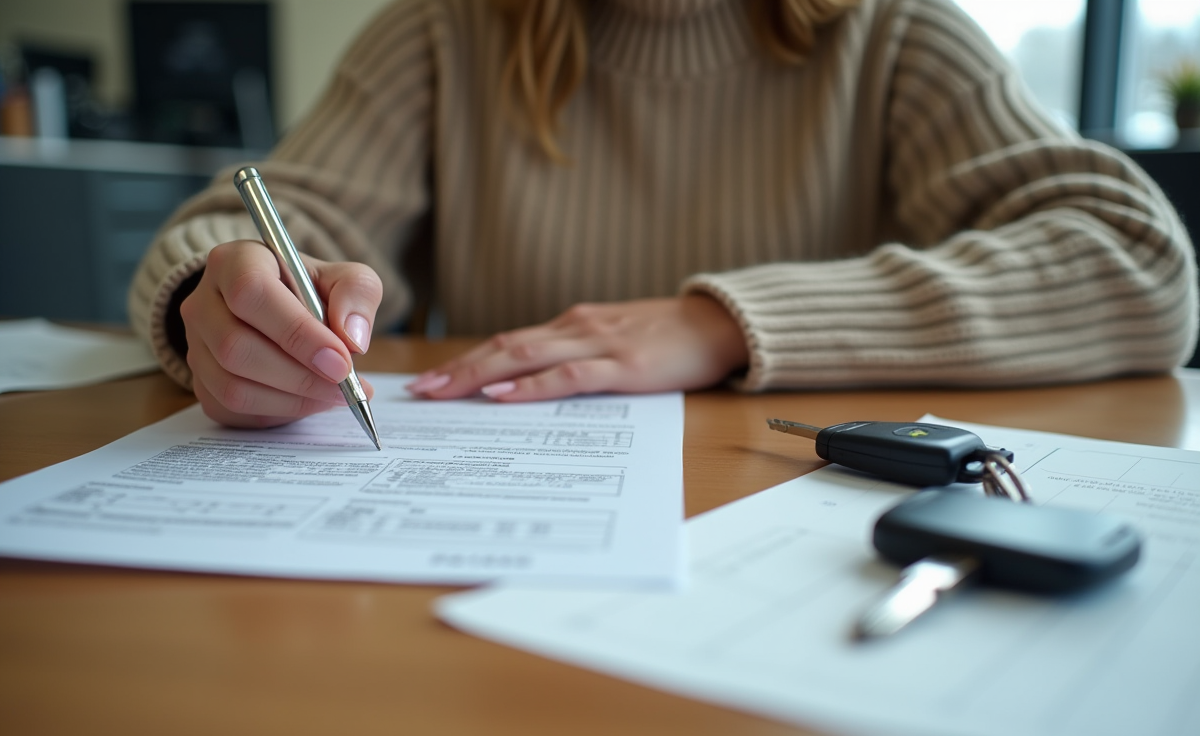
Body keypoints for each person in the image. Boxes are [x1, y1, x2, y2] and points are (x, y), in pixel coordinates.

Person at [129, 0, 1198, 430]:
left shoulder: (896, 33)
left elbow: (1137, 259)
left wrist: (725, 320)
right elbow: (272, 221)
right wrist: (213, 304)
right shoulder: (446, 29)